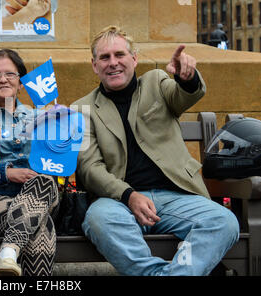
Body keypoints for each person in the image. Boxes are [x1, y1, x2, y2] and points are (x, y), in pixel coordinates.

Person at [72, 25, 239, 276]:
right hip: (118, 202)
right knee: (97, 220)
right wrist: (129, 195)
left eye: (120, 55)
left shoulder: (156, 82)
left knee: (224, 222)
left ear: (134, 59)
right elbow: (90, 169)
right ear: (94, 65)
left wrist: (186, 78)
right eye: (104, 57)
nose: (113, 63)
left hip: (176, 196)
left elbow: (183, 96)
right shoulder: (81, 109)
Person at [0, 49, 59, 276]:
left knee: (44, 181)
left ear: (21, 83)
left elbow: (56, 168)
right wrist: (6, 173)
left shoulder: (43, 117)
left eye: (10, 74)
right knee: (40, 227)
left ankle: (7, 253)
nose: (3, 79)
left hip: (40, 195)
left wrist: (60, 140)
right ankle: (9, 253)